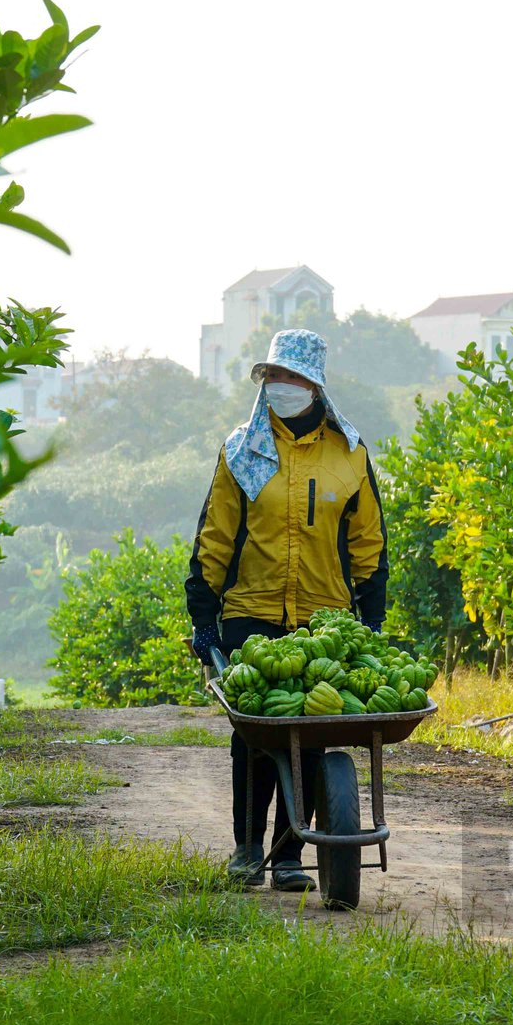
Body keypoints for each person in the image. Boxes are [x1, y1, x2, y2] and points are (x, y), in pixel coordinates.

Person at [185, 328, 388, 890]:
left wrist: (371, 620)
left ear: (317, 387)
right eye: (275, 376)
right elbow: (215, 538)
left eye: (294, 378)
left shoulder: (349, 453)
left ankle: (292, 855)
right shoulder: (242, 451)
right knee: (255, 737)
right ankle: (249, 849)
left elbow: (368, 544)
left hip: (324, 619)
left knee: (312, 736)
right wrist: (204, 620)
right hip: (252, 611)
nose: (283, 386)